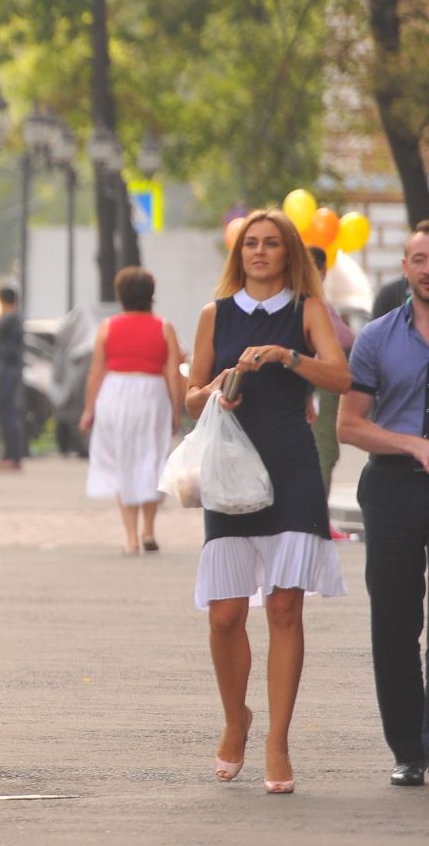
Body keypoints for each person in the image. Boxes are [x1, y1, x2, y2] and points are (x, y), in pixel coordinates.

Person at [183, 209, 351, 794]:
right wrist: (212, 391)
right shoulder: (215, 314)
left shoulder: (308, 311)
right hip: (228, 470)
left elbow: (340, 377)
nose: (258, 252)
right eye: (250, 244)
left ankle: (278, 741)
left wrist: (288, 358)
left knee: (284, 609)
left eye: (271, 244)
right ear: (239, 254)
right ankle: (238, 719)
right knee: (225, 615)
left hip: (291, 466)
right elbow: (188, 395)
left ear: (289, 253)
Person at [335, 221, 429, 788]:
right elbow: (349, 425)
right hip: (394, 486)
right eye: (418, 257)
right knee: (395, 620)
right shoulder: (376, 337)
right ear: (404, 267)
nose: (427, 267)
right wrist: (412, 444)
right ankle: (408, 749)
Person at [79, 267, 185, 555]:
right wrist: (176, 411)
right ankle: (149, 529)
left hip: (114, 395)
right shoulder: (165, 327)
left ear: (120, 296)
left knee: (123, 462)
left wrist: (89, 410)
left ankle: (130, 538)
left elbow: (96, 372)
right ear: (151, 295)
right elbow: (173, 374)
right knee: (151, 459)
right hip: (151, 395)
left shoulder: (107, 327)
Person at [307, 245, 357, 499]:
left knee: (325, 449)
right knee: (324, 449)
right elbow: (342, 338)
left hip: (324, 381)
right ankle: (316, 516)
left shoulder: (318, 302)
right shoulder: (309, 303)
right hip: (318, 381)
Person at [0, 284, 27, 469]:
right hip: (12, 371)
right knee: (9, 412)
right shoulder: (17, 318)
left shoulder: (7, 318)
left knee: (4, 413)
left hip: (3, 372)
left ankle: (10, 456)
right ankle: (13, 455)